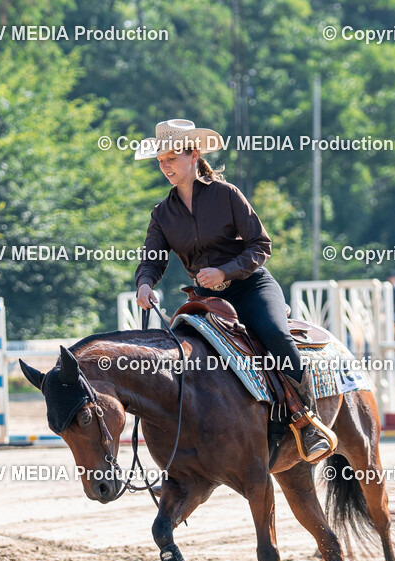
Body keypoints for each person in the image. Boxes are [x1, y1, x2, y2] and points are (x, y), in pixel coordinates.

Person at [133, 119, 333, 460]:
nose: (165, 166)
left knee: (275, 334)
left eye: (171, 158)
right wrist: (144, 283)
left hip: (251, 286)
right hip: (207, 300)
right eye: (160, 160)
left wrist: (224, 269)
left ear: (193, 154)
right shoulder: (162, 214)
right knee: (185, 354)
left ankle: (307, 419)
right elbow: (152, 259)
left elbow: (261, 244)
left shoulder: (227, 195)